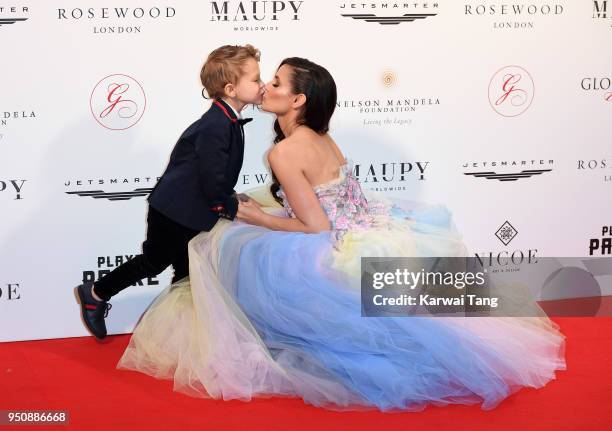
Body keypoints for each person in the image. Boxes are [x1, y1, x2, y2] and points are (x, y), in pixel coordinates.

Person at [117, 57, 566, 412]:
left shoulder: (286, 151)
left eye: (275, 83)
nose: (266, 89)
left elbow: (315, 226)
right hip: (368, 230)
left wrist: (254, 218)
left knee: (231, 246)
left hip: (329, 247)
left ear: (297, 101)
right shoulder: (322, 137)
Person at [75, 44, 264, 340]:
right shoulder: (217, 124)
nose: (262, 84)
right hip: (175, 211)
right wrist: (230, 205)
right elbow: (210, 181)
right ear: (231, 88)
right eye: (255, 79)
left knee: (186, 275)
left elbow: (213, 175)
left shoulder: (225, 119)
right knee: (162, 265)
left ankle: (166, 336)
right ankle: (100, 297)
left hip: (189, 209)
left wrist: (230, 197)